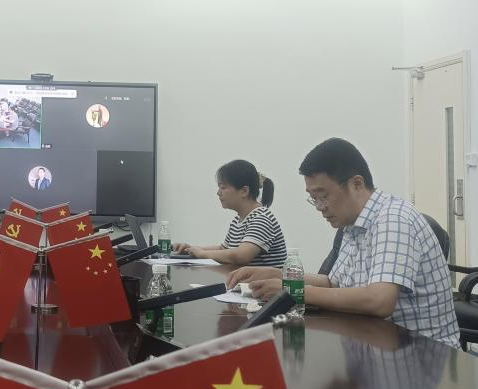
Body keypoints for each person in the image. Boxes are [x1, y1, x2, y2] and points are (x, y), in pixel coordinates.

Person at [227, 138, 460, 347]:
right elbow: (333, 283)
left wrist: (293, 291)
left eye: (323, 196)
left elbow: (379, 301)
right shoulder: (352, 224)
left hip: (421, 355)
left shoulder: (394, 219)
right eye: (314, 198)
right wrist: (277, 274)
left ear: (356, 184)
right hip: (375, 342)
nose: (320, 207)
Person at [173, 160, 288, 267]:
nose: (218, 193)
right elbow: (223, 250)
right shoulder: (238, 220)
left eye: (223, 187)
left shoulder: (261, 218)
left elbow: (241, 256)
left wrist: (202, 254)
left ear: (244, 191)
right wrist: (191, 249)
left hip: (263, 282)